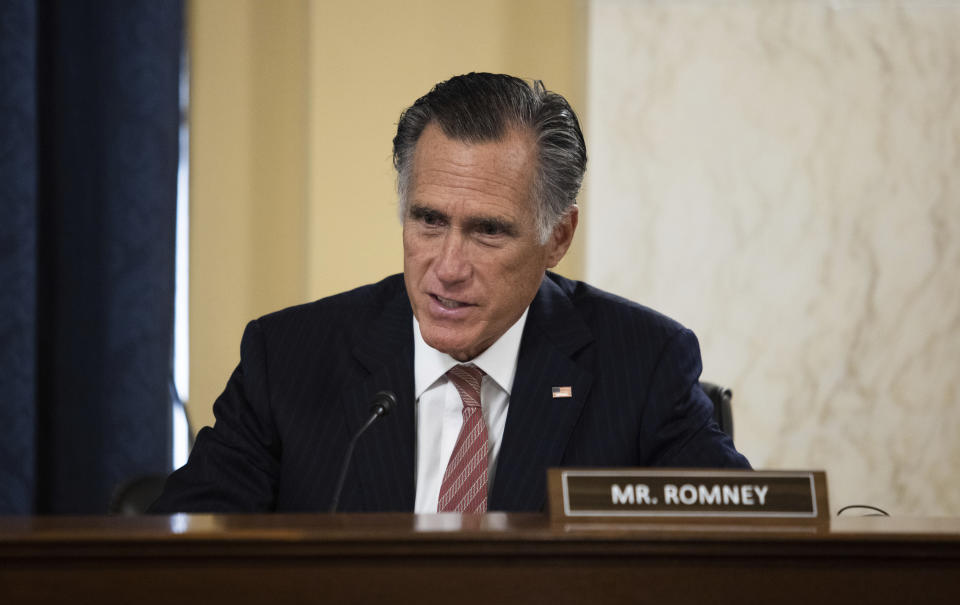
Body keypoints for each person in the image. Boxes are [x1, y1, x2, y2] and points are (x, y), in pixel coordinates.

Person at [150, 72, 749, 514]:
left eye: (488, 231)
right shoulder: (287, 358)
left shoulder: (642, 364)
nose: (448, 267)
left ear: (557, 236)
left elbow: (748, 547)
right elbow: (182, 555)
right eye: (429, 221)